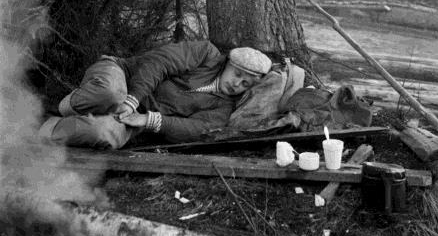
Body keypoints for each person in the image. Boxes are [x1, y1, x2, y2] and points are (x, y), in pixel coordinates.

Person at [38, 41, 272, 149]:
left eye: (245, 83)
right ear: (228, 63)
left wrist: (149, 120)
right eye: (237, 74)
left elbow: (196, 130)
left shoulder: (223, 108)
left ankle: (42, 129)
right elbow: (158, 63)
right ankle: (65, 107)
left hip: (136, 119)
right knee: (109, 94)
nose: (237, 83)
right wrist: (133, 99)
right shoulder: (206, 54)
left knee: (102, 133)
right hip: (122, 74)